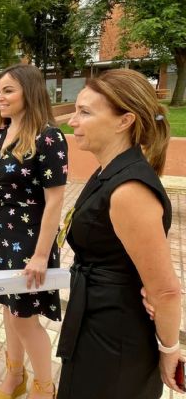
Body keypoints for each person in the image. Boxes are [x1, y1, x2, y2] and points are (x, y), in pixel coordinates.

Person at [56, 69, 183, 398]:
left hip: (115, 341)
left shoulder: (129, 189)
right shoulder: (110, 171)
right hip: (97, 322)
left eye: (85, 112)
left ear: (124, 121)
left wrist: (169, 349)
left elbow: (166, 291)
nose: (72, 120)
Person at [0, 64, 67, 399]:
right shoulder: (2, 132)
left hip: (29, 241)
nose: (0, 97)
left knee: (24, 317)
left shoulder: (48, 137)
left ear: (30, 91)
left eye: (8, 90)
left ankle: (45, 387)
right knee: (8, 308)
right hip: (0, 234)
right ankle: (15, 376)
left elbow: (55, 200)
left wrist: (41, 255)